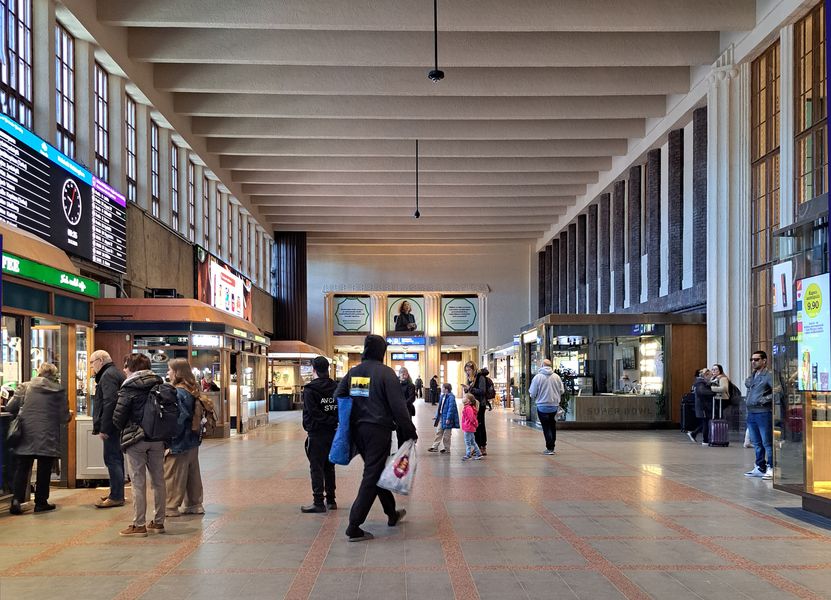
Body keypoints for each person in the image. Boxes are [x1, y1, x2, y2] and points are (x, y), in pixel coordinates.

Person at [334, 334, 417, 542]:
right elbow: (399, 408)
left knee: (376, 470)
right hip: (378, 432)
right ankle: (354, 525)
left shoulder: (354, 372)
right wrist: (409, 430)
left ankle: (392, 514)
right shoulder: (385, 374)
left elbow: (339, 395)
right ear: (382, 351)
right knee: (372, 475)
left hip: (357, 432)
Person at [113, 353, 166, 537]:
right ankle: (159, 521)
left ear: (132, 368)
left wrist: (124, 427)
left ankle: (139, 524)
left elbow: (118, 417)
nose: (124, 369)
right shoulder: (160, 384)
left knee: (138, 482)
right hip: (157, 438)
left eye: (126, 366)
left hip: (136, 439)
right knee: (159, 480)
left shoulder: (129, 387)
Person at [8, 363, 72, 515]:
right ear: (54, 375)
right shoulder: (58, 391)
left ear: (39, 372)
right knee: (44, 470)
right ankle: (40, 503)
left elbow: (11, 407)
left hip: (26, 433)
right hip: (47, 435)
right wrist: (69, 415)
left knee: (22, 468)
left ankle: (16, 500)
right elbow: (64, 417)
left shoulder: (24, 387)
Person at [164, 359, 204, 517]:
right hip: (193, 440)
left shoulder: (178, 392)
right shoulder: (193, 389)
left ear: (177, 372)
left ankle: (171, 506)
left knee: (173, 475)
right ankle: (194, 503)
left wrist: (170, 439)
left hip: (180, 441)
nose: (168, 373)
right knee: (192, 474)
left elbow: (179, 418)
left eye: (169, 370)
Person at [300, 356, 338, 513]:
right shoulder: (336, 387)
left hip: (316, 433)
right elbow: (339, 407)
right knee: (329, 466)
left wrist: (324, 420)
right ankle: (331, 500)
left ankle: (318, 502)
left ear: (314, 370)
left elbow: (313, 412)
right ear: (328, 369)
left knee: (316, 467)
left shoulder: (310, 390)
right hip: (332, 432)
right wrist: (333, 420)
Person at [90, 350, 127, 508]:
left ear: (100, 360)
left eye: (92, 363)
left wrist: (104, 427)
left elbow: (109, 402)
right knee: (116, 459)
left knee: (112, 459)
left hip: (112, 426)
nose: (92, 367)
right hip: (117, 424)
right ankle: (116, 493)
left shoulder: (108, 375)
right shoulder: (114, 373)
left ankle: (116, 496)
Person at [745, 350, 774, 480]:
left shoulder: (769, 375)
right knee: (757, 442)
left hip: (763, 412)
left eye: (756, 359)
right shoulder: (754, 375)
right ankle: (760, 466)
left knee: (767, 442)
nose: (753, 362)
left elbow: (778, 391)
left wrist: (764, 400)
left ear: (764, 360)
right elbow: (749, 386)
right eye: (752, 359)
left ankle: (771, 467)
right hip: (751, 412)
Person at [528, 359, 564, 455]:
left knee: (546, 427)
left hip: (542, 406)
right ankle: (552, 446)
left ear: (542, 365)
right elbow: (562, 390)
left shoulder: (537, 377)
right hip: (554, 406)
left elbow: (532, 393)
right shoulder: (557, 377)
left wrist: (536, 396)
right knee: (552, 426)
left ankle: (550, 448)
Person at [463, 361, 489, 455]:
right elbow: (470, 391)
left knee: (480, 425)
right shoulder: (470, 378)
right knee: (474, 426)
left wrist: (470, 389)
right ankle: (477, 446)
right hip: (472, 405)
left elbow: (482, 391)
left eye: (469, 370)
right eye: (466, 370)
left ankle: (483, 446)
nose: (468, 372)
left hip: (480, 405)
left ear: (474, 369)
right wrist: (466, 389)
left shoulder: (480, 377)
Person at [428, 383, 459, 453]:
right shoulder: (442, 396)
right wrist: (436, 416)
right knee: (439, 432)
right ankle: (434, 447)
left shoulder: (451, 397)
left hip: (448, 419)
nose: (441, 388)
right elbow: (440, 408)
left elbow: (451, 409)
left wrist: (448, 418)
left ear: (446, 389)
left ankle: (447, 448)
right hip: (442, 417)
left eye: (442, 387)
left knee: (446, 435)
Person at [686, 368, 714, 445]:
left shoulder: (699, 382)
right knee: (705, 422)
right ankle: (705, 440)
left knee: (706, 422)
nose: (711, 377)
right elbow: (703, 392)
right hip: (703, 406)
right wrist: (713, 392)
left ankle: (694, 434)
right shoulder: (700, 383)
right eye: (710, 375)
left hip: (702, 405)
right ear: (706, 375)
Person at [397, 367, 417, 447]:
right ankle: (399, 450)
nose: (401, 376)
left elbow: (412, 398)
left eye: (403, 374)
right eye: (400, 374)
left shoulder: (410, 385)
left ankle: (406, 449)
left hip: (406, 410)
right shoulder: (397, 384)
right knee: (398, 431)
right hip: (397, 410)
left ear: (406, 374)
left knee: (406, 429)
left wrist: (403, 405)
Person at [460, 394, 483, 461]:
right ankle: (479, 453)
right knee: (473, 441)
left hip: (468, 427)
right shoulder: (468, 407)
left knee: (467, 442)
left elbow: (472, 418)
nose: (463, 398)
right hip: (469, 427)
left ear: (468, 401)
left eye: (464, 397)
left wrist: (474, 424)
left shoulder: (468, 408)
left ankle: (468, 454)